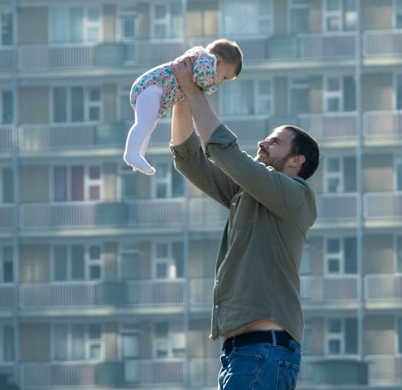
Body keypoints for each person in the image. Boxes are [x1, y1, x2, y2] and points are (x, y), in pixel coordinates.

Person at [168, 55, 320, 390]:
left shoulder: (297, 196)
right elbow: (189, 160)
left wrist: (194, 91)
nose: (263, 143)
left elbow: (229, 154)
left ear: (296, 161)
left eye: (275, 142)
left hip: (265, 351)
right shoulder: (248, 191)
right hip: (243, 353)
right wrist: (181, 96)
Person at [123, 39, 243, 175]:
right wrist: (210, 87)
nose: (220, 82)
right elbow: (202, 78)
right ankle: (131, 154)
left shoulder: (201, 59)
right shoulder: (205, 59)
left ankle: (139, 154)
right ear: (219, 61)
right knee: (144, 123)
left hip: (154, 93)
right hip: (151, 88)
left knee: (149, 125)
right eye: (224, 77)